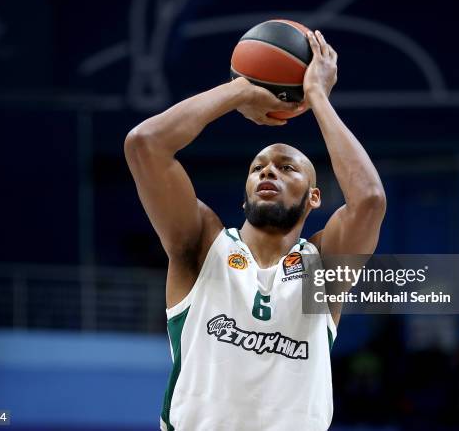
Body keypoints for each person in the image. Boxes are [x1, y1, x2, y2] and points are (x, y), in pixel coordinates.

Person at [124, 30, 386, 431]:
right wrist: (240, 91)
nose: (268, 171)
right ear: (244, 195)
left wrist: (316, 96)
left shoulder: (323, 269)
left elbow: (368, 200)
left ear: (315, 197)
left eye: (287, 167)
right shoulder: (201, 245)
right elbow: (145, 144)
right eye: (258, 167)